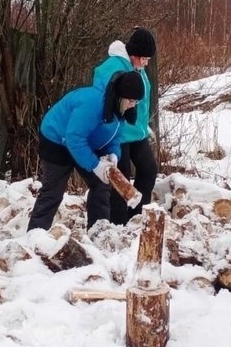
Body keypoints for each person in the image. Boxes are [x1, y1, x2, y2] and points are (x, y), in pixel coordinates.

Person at [27, 70, 146, 232]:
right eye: (131, 100)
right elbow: (74, 138)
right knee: (53, 192)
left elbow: (116, 137)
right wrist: (95, 165)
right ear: (120, 95)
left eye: (136, 102)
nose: (133, 105)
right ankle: (34, 235)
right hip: (56, 140)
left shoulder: (121, 109)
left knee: (101, 184)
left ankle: (99, 232)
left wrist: (113, 154)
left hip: (84, 142)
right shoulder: (93, 103)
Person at [92, 27, 158, 224]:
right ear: (133, 54)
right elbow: (104, 100)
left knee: (148, 170)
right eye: (144, 58)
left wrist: (144, 126)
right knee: (121, 180)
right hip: (117, 133)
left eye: (148, 59)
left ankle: (136, 217)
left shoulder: (138, 68)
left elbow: (141, 102)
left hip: (137, 132)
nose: (146, 63)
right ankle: (118, 224)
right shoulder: (113, 67)